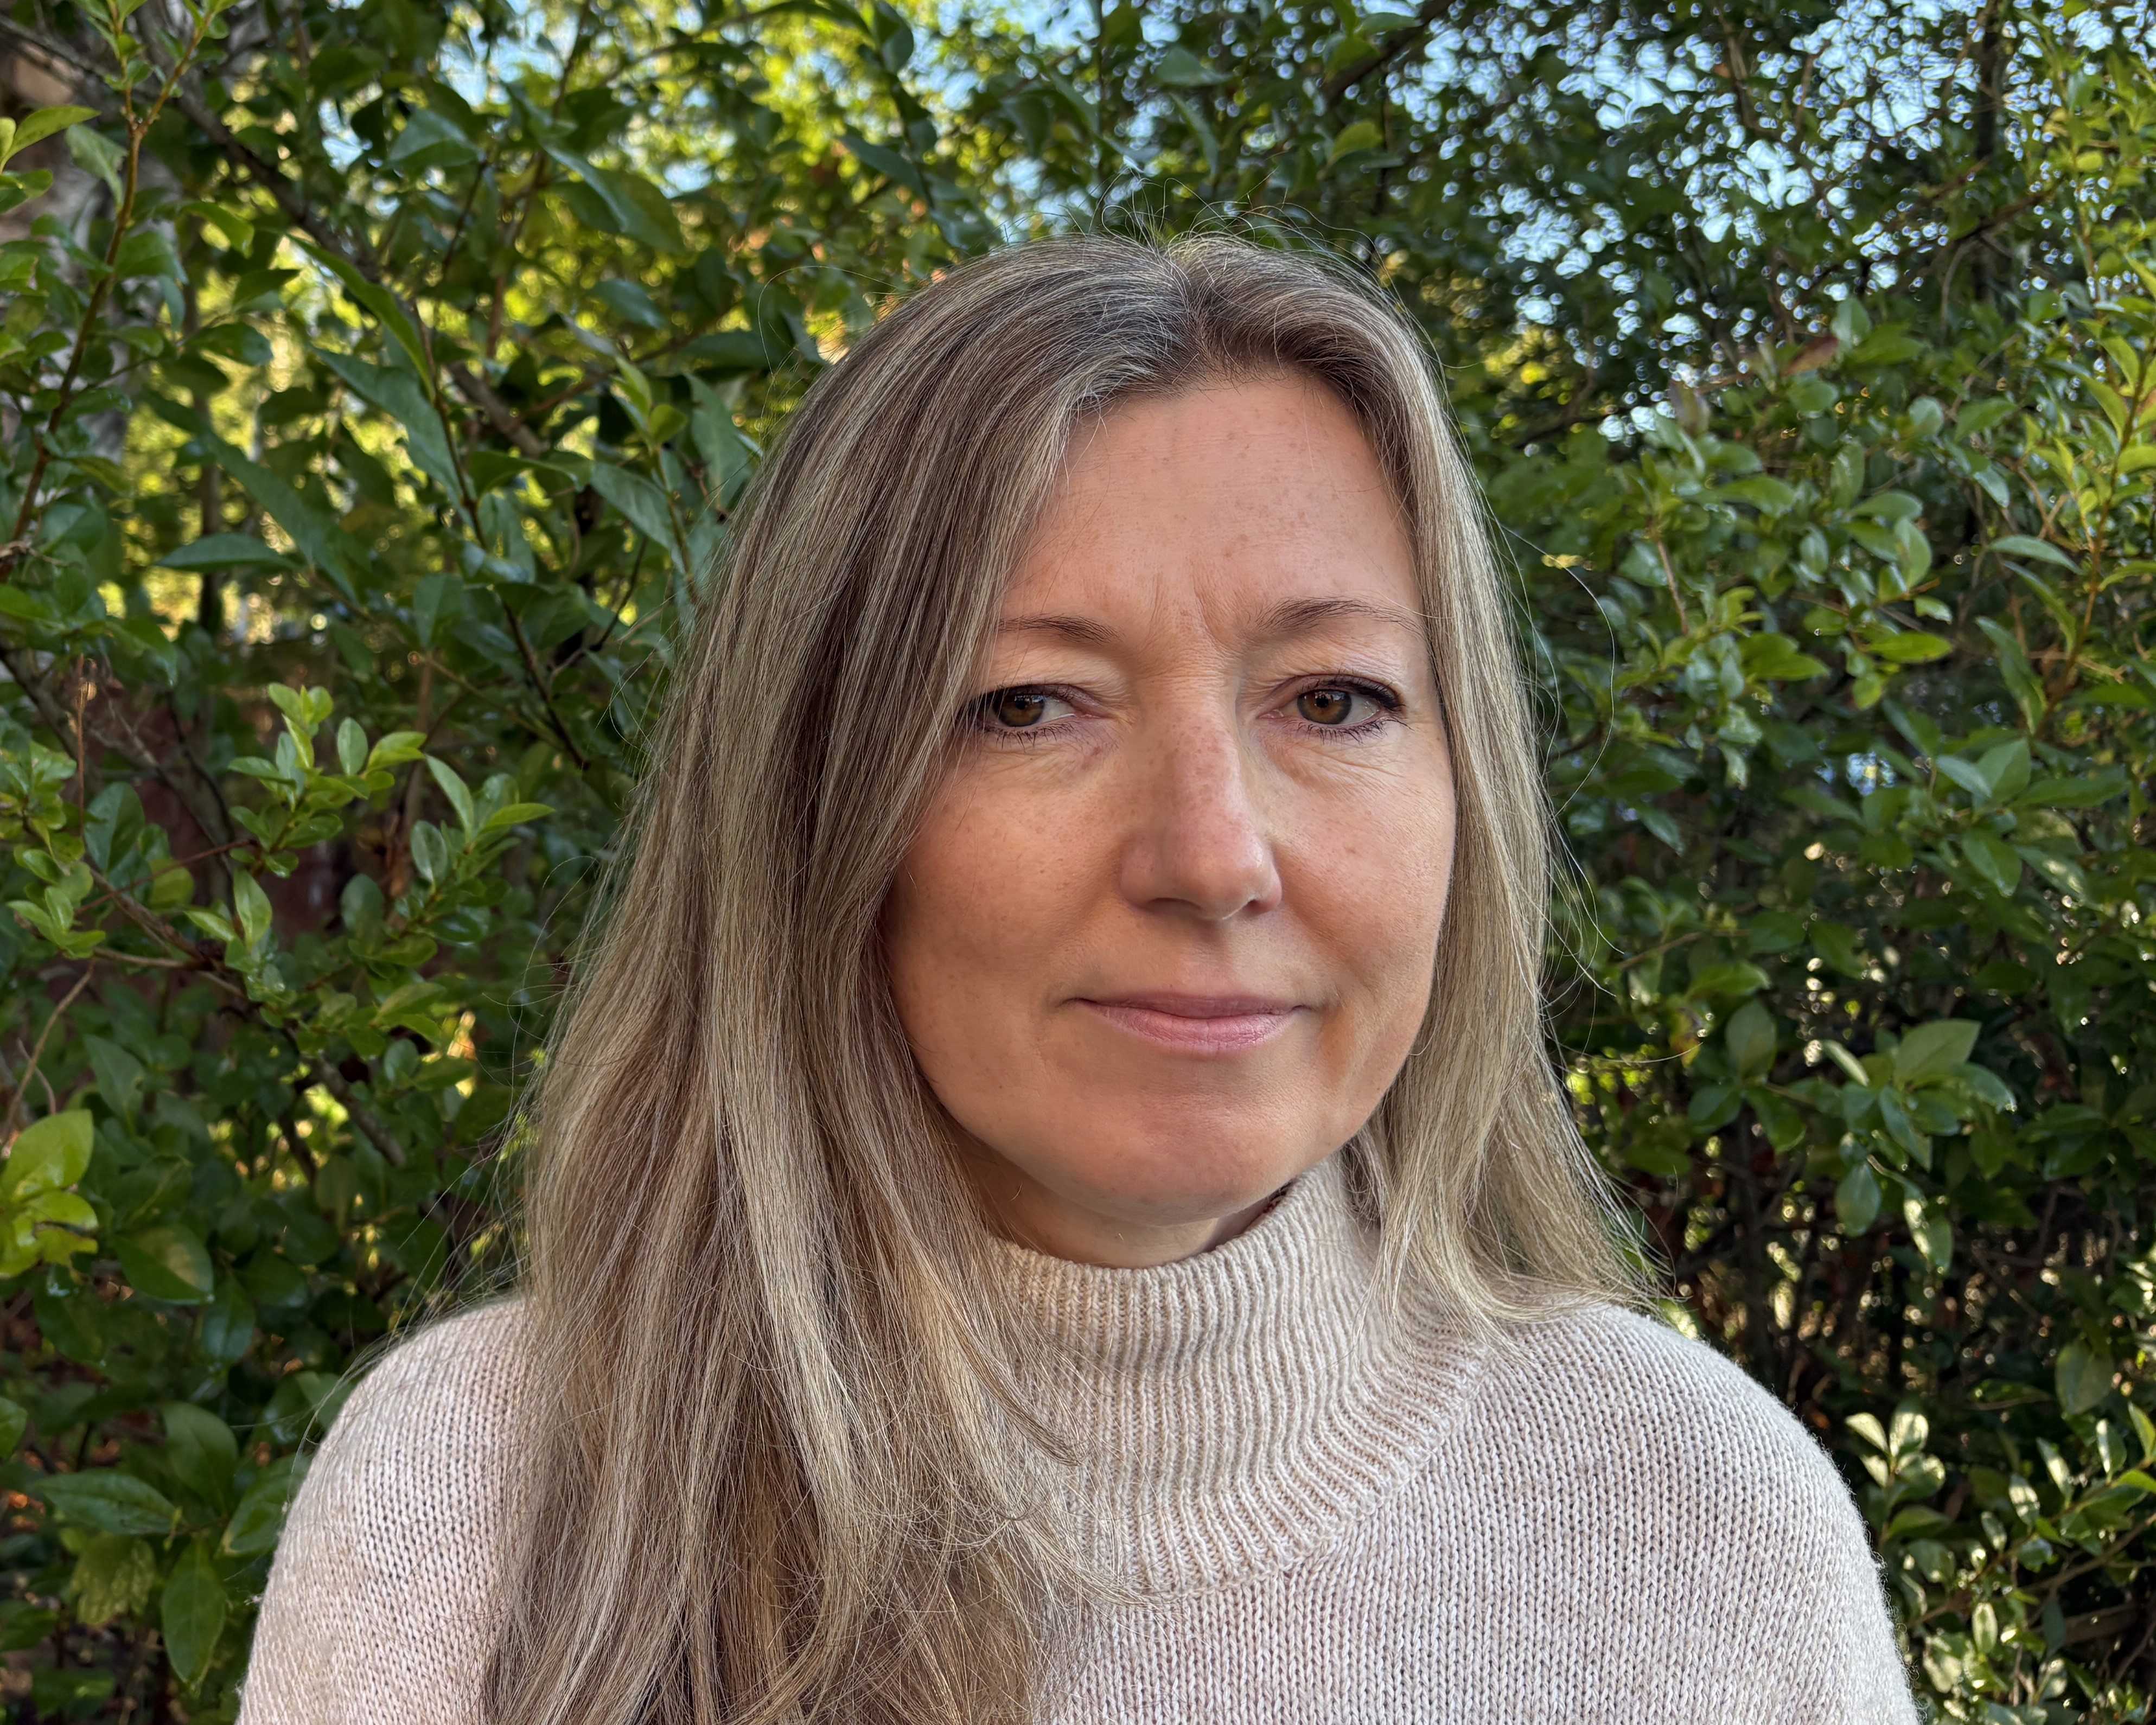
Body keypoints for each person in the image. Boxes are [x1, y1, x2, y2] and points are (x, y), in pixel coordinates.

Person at [233, 227, 1925, 1725]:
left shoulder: (1704, 1534)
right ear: (816, 806)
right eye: (1029, 704)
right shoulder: (466, 1504)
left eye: (1333, 698)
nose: (1211, 852)